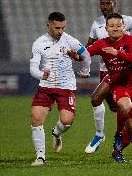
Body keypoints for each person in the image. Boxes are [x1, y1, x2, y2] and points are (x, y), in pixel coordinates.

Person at [84, 0, 132, 154]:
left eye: (108, 3)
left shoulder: (126, 21)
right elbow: (87, 48)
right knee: (115, 107)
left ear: (114, 3)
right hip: (105, 69)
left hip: (122, 72)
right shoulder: (96, 24)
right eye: (102, 3)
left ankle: (101, 135)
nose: (105, 6)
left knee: (98, 99)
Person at [29, 12, 91, 166]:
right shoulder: (38, 43)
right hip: (46, 87)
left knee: (66, 120)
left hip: (66, 87)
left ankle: (56, 133)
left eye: (63, 27)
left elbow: (86, 55)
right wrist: (41, 75)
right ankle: (40, 157)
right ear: (48, 25)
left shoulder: (70, 41)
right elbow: (33, 69)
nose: (61, 31)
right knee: (36, 118)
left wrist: (86, 69)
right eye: (57, 28)